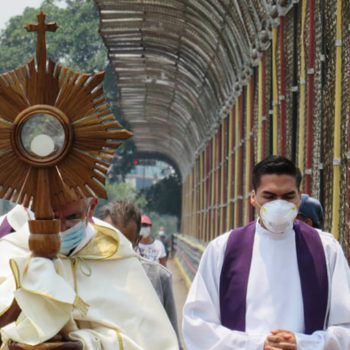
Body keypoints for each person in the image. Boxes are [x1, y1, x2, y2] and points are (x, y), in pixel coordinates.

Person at [183, 155, 350, 350]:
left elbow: (345, 327)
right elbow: (196, 324)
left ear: (299, 196)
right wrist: (256, 344)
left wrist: (304, 344)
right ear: (253, 197)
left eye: (288, 196)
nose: (279, 205)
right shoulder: (222, 249)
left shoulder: (326, 249)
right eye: (269, 196)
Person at [0, 197, 178, 350]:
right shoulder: (9, 250)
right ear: (31, 208)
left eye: (71, 217)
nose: (61, 228)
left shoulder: (117, 257)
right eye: (52, 217)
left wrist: (84, 344)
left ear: (91, 207)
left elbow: (150, 341)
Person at [100, 201, 182, 347]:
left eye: (125, 243)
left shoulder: (158, 277)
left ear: (137, 241)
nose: (117, 249)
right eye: (111, 240)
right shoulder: (83, 273)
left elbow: (172, 337)